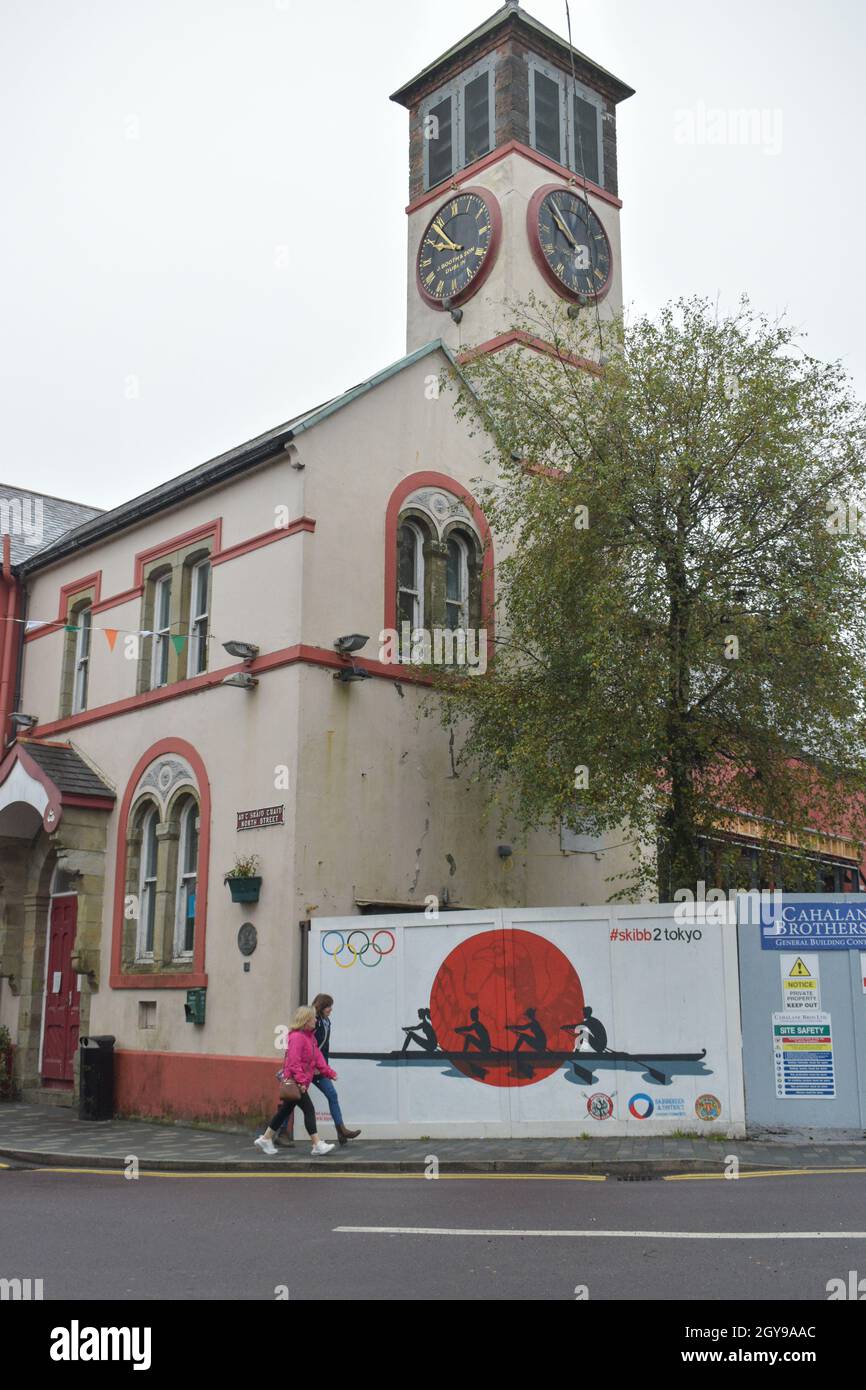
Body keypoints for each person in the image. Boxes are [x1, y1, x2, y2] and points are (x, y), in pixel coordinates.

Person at [255, 1006, 336, 1156]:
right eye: (313, 1018)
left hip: (299, 1081)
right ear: (306, 1021)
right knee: (309, 1109)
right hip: (295, 1081)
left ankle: (266, 1138)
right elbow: (293, 1063)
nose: (316, 1020)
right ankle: (317, 1144)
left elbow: (318, 1059)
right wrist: (301, 1082)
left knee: (285, 1110)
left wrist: (330, 1073)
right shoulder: (297, 1037)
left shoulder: (310, 1038)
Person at [282, 994, 360, 1147]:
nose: (331, 1010)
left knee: (332, 1094)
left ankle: (340, 1129)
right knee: (290, 1100)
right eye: (329, 1006)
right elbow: (307, 1046)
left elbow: (321, 1049)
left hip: (317, 1069)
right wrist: (314, 1067)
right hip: (305, 1069)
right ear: (322, 1007)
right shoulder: (312, 1022)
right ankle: (282, 1133)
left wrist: (324, 1068)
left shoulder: (326, 1022)